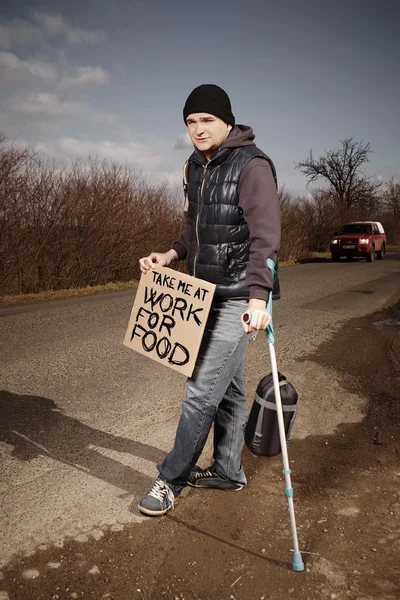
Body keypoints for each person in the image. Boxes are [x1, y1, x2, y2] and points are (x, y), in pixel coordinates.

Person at [137, 84, 280, 516]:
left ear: (227, 122)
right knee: (230, 390)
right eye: (190, 122)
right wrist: (171, 254)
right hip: (201, 296)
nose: (197, 129)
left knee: (200, 392)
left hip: (240, 300)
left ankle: (170, 478)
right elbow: (193, 229)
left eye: (206, 120)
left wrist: (259, 299)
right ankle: (228, 470)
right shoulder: (194, 167)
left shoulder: (251, 165)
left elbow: (266, 238)